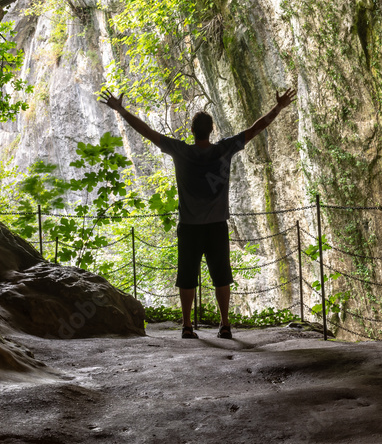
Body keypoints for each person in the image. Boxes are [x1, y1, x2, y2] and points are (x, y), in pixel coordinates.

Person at [99, 87, 297, 339]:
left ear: (192, 131)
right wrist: (278, 107)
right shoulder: (224, 150)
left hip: (190, 226)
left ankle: (187, 326)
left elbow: (147, 132)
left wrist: (121, 109)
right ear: (211, 129)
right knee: (221, 277)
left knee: (187, 277)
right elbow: (256, 128)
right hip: (216, 225)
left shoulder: (180, 151)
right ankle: (225, 325)